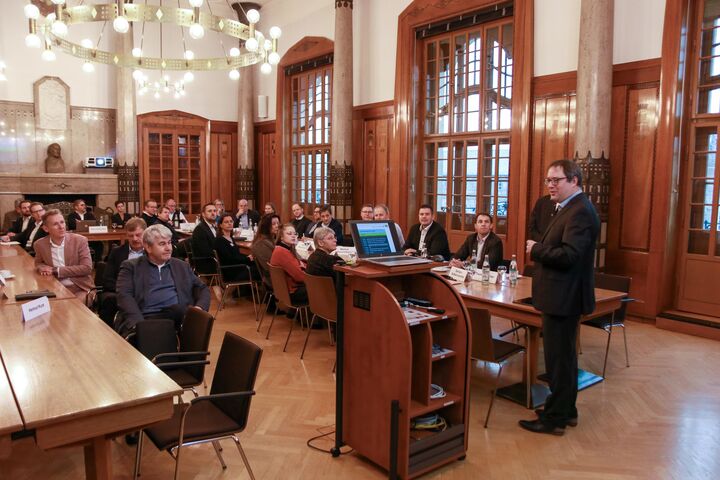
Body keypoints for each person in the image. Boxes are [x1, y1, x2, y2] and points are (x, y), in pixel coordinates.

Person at [519, 159, 600, 436]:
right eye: (548, 180)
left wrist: (537, 249)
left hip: (564, 298)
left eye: (556, 180)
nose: (550, 185)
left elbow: (569, 255)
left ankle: (554, 420)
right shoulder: (567, 208)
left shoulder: (579, 212)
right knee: (561, 359)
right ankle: (566, 410)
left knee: (559, 360)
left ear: (574, 181)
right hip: (558, 295)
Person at [116, 224, 210, 335]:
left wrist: (198, 309)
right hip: (146, 318)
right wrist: (139, 324)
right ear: (148, 247)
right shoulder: (131, 267)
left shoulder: (181, 266)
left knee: (195, 322)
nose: (168, 248)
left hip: (178, 318)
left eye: (169, 243)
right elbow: (124, 296)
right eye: (162, 244)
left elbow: (202, 288)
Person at [34, 209, 93, 302]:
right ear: (46, 228)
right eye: (55, 224)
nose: (61, 227)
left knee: (70, 309)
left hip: (80, 288)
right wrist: (42, 267)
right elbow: (38, 263)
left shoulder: (79, 241)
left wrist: (55, 270)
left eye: (62, 222)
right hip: (53, 287)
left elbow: (87, 268)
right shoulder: (40, 244)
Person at [99, 218, 146, 326]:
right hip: (119, 292)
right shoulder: (117, 252)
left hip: (145, 291)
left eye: (138, 235)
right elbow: (107, 280)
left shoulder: (152, 252)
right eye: (130, 235)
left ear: (146, 233)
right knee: (109, 301)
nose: (134, 239)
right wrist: (125, 291)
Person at [270, 224, 308, 304]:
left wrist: (303, 265)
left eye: (295, 234)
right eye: (289, 234)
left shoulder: (281, 248)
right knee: (324, 288)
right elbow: (300, 277)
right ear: (281, 237)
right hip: (292, 292)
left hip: (285, 290)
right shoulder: (282, 252)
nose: (293, 236)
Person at [215, 213, 258, 282]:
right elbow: (230, 259)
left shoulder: (230, 238)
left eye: (231, 221)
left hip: (237, 266)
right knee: (258, 269)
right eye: (226, 222)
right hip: (231, 270)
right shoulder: (220, 240)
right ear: (220, 225)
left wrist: (248, 256)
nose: (229, 223)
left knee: (257, 264)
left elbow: (237, 255)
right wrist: (247, 259)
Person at [251, 214, 280, 288]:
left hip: (277, 275)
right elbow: (271, 266)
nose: (277, 226)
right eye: (273, 224)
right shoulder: (261, 243)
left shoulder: (270, 239)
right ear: (266, 226)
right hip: (273, 279)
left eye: (278, 223)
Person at [191, 202, 219, 275]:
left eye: (214, 211)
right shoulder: (200, 229)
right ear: (203, 214)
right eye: (209, 211)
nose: (213, 213)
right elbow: (206, 251)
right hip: (207, 263)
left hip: (215, 259)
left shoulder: (215, 227)